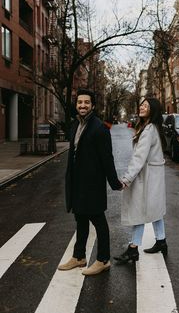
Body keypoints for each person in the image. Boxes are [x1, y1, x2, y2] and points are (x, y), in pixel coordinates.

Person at [58, 89, 122, 275]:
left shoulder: (99, 128)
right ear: (76, 105)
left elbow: (106, 159)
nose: (83, 105)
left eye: (86, 102)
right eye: (80, 102)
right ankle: (79, 257)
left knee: (98, 221)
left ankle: (103, 260)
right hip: (77, 183)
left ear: (93, 105)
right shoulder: (75, 125)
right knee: (81, 220)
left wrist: (114, 182)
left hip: (92, 185)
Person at [114, 97, 167, 264]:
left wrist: (127, 178)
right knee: (154, 208)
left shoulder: (149, 130)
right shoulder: (151, 127)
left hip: (147, 177)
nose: (142, 107)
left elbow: (139, 158)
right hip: (153, 176)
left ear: (153, 110)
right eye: (141, 104)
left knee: (139, 211)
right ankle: (161, 241)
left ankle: (133, 249)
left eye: (146, 105)